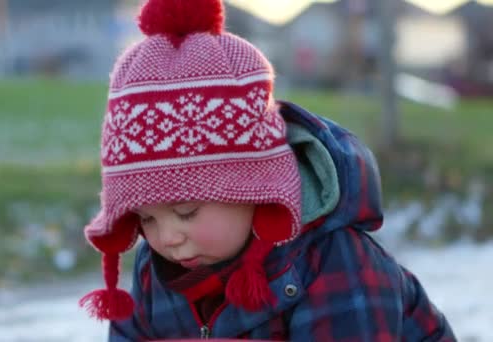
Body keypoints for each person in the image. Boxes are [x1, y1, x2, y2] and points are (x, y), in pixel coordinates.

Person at [79, 0, 455, 340]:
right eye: (146, 219)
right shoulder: (156, 268)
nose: (167, 238)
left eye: (186, 212)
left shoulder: (332, 259)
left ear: (256, 188)